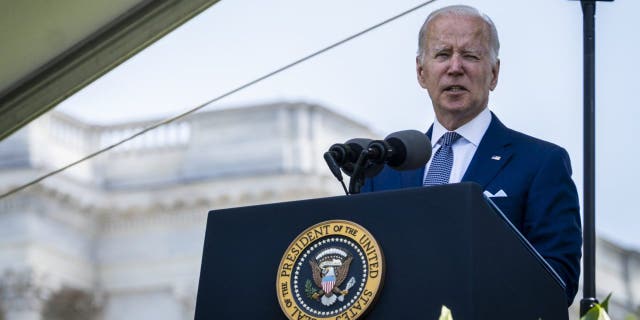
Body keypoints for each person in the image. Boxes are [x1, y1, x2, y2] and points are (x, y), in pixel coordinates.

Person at [361, 5, 582, 305]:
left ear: (494, 73)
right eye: (442, 54)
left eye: (470, 55)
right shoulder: (382, 171)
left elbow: (558, 280)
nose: (455, 67)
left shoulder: (542, 164)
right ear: (421, 72)